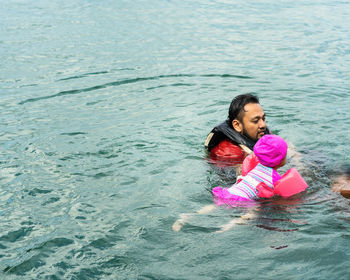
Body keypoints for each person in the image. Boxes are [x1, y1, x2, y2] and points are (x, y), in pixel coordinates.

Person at [173, 135, 291, 232]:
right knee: (253, 212)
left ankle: (188, 216)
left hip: (230, 192)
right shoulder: (275, 178)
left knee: (213, 206)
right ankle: (228, 226)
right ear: (281, 160)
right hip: (245, 199)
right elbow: (277, 194)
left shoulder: (254, 166)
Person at [205, 94, 271, 164]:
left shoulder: (263, 134)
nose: (263, 125)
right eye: (255, 121)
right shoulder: (229, 153)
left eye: (263, 118)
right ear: (237, 125)